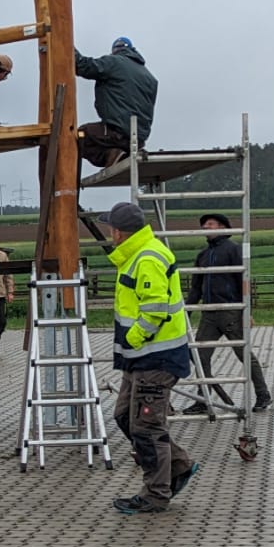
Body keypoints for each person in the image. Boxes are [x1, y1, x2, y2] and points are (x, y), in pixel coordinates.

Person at [105, 201, 197, 516]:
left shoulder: (147, 257)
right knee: (124, 417)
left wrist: (133, 338)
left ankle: (156, 494)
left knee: (146, 428)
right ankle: (179, 466)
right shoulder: (136, 255)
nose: (109, 233)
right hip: (141, 359)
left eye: (111, 228)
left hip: (155, 358)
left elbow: (155, 309)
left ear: (119, 232)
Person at [191, 213, 271, 412]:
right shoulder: (202, 255)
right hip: (209, 313)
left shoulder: (233, 250)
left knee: (243, 353)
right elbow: (196, 288)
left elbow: (243, 281)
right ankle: (203, 399)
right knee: (200, 355)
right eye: (203, 225)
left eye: (210, 224)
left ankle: (263, 394)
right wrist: (186, 311)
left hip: (231, 311)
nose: (205, 227)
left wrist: (247, 311)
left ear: (222, 227)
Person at [75, 38, 158, 168]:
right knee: (103, 136)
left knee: (79, 136)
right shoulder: (149, 77)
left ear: (115, 50)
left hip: (117, 133)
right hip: (138, 139)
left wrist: (67, 45)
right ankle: (120, 155)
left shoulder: (114, 62)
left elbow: (83, 66)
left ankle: (112, 155)